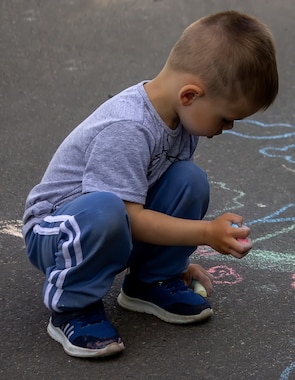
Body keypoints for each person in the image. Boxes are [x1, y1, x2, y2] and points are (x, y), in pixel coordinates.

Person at [21, 10, 279, 358]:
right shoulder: (128, 128)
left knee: (190, 180)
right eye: (226, 117)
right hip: (59, 232)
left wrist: (174, 261)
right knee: (107, 207)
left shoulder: (181, 118)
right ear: (190, 95)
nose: (228, 127)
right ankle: (72, 307)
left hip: (110, 223)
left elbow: (148, 205)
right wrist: (203, 233)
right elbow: (130, 216)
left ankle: (151, 281)